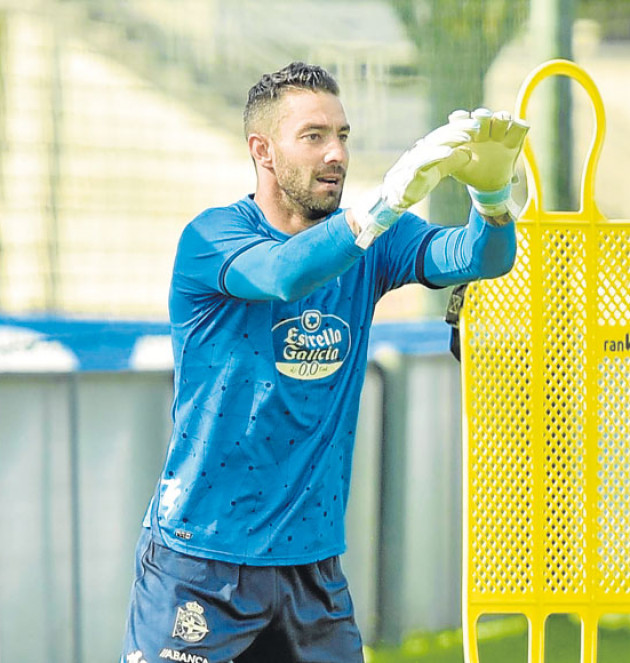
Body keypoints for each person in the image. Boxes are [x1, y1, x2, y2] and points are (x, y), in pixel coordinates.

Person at [120, 61, 528, 663]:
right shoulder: (213, 237)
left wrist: (491, 198)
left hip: (312, 571)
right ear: (262, 149)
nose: (335, 153)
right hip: (201, 564)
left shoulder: (373, 240)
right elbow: (286, 274)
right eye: (313, 137)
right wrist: (385, 203)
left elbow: (479, 257)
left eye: (342, 136)